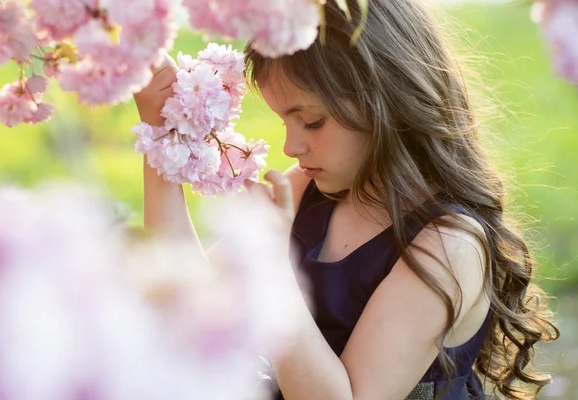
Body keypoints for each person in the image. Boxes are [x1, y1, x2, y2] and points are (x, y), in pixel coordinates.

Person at [133, 0, 559, 398]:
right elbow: (183, 298)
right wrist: (160, 128)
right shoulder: (308, 194)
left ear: (388, 102)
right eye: (285, 120)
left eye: (312, 121)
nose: (290, 146)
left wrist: (268, 270)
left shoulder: (448, 246)